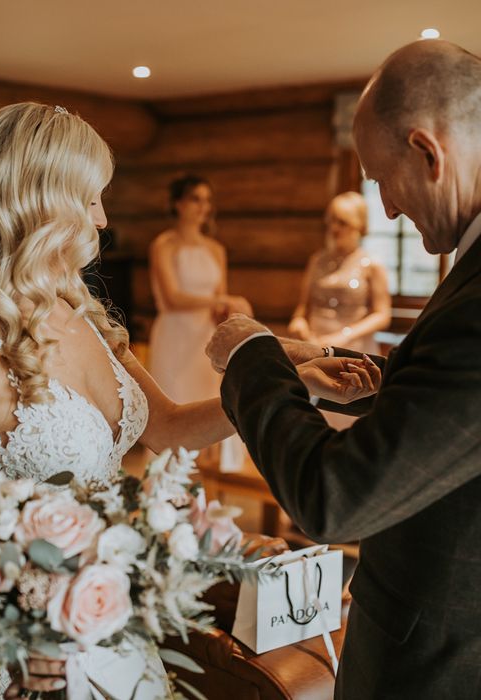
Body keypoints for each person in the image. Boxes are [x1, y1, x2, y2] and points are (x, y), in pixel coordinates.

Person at [0, 103, 376, 700]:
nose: (102, 218)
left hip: (108, 622)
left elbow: (169, 426)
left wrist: (291, 380)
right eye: (91, 197)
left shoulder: (83, 318)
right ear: (41, 201)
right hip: (23, 659)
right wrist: (11, 639)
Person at [206, 40, 481, 700]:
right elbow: (449, 400)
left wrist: (251, 355)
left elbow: (335, 499)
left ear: (427, 151)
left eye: (383, 179)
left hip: (438, 660)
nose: (386, 208)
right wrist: (323, 361)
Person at [148, 175, 252, 469]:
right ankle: (166, 487)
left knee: (206, 406)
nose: (203, 207)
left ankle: (206, 488)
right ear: (178, 204)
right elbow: (172, 297)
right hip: (175, 335)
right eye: (196, 199)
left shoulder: (216, 250)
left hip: (205, 338)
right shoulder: (164, 245)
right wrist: (222, 301)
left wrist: (228, 311)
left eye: (207, 200)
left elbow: (220, 300)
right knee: (173, 405)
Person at [287, 191, 391, 428]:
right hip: (315, 342)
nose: (335, 228)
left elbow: (382, 315)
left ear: (359, 225)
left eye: (342, 222)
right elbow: (303, 307)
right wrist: (299, 321)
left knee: (346, 409)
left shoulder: (372, 265)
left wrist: (344, 335)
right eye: (331, 221)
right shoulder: (317, 260)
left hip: (353, 347)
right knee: (313, 411)